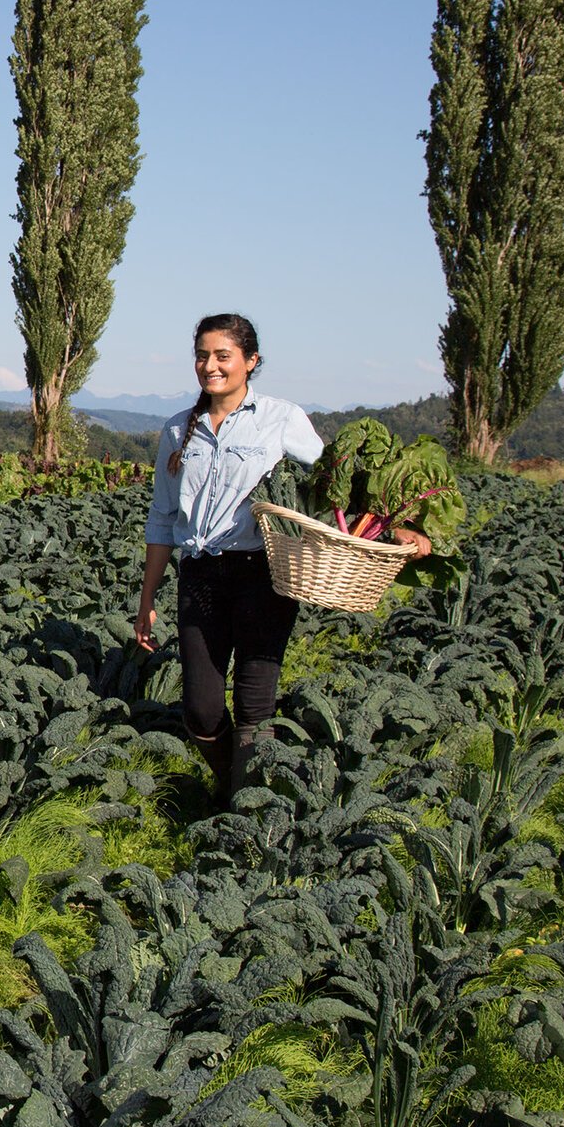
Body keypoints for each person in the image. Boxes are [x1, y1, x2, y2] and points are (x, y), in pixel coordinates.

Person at [133, 314, 428, 805]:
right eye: (202, 355)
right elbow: (162, 520)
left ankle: (243, 812)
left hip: (262, 575)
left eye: (223, 356)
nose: (211, 366)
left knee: (254, 706)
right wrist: (147, 599)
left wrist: (396, 524)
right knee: (202, 710)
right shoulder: (175, 432)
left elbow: (339, 480)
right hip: (200, 574)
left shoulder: (281, 418)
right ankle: (233, 784)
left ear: (251, 362)